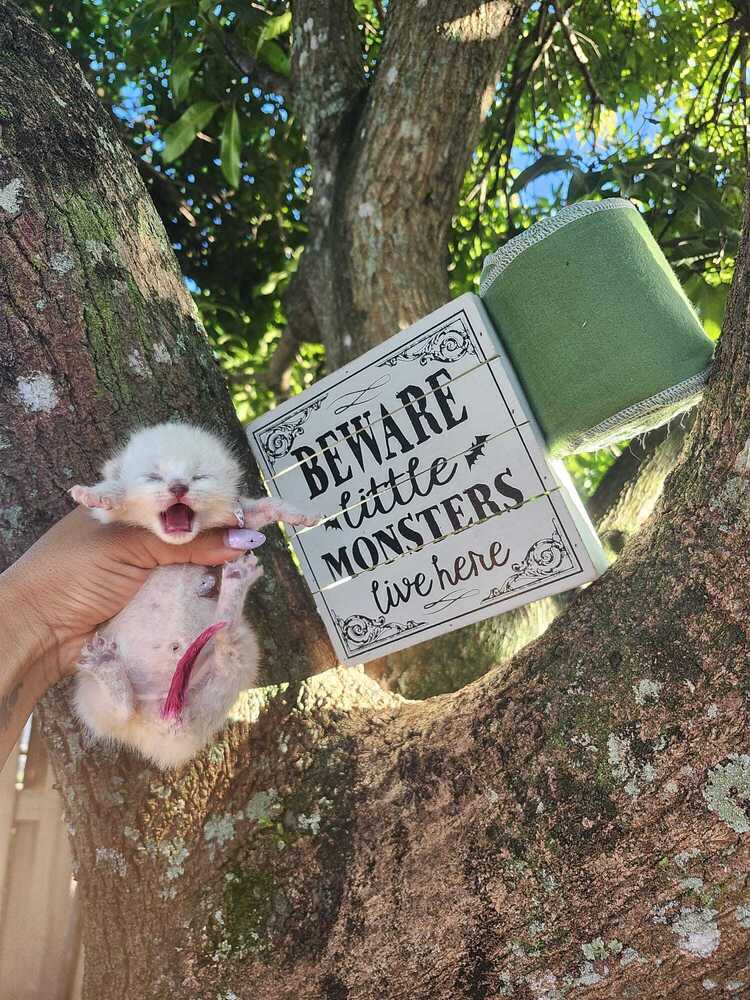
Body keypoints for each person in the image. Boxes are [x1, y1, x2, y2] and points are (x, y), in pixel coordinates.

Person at [0, 509, 260, 768]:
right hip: (168, 692)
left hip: (165, 682)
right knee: (234, 660)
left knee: (232, 661)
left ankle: (121, 698)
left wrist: (35, 613)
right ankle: (229, 608)